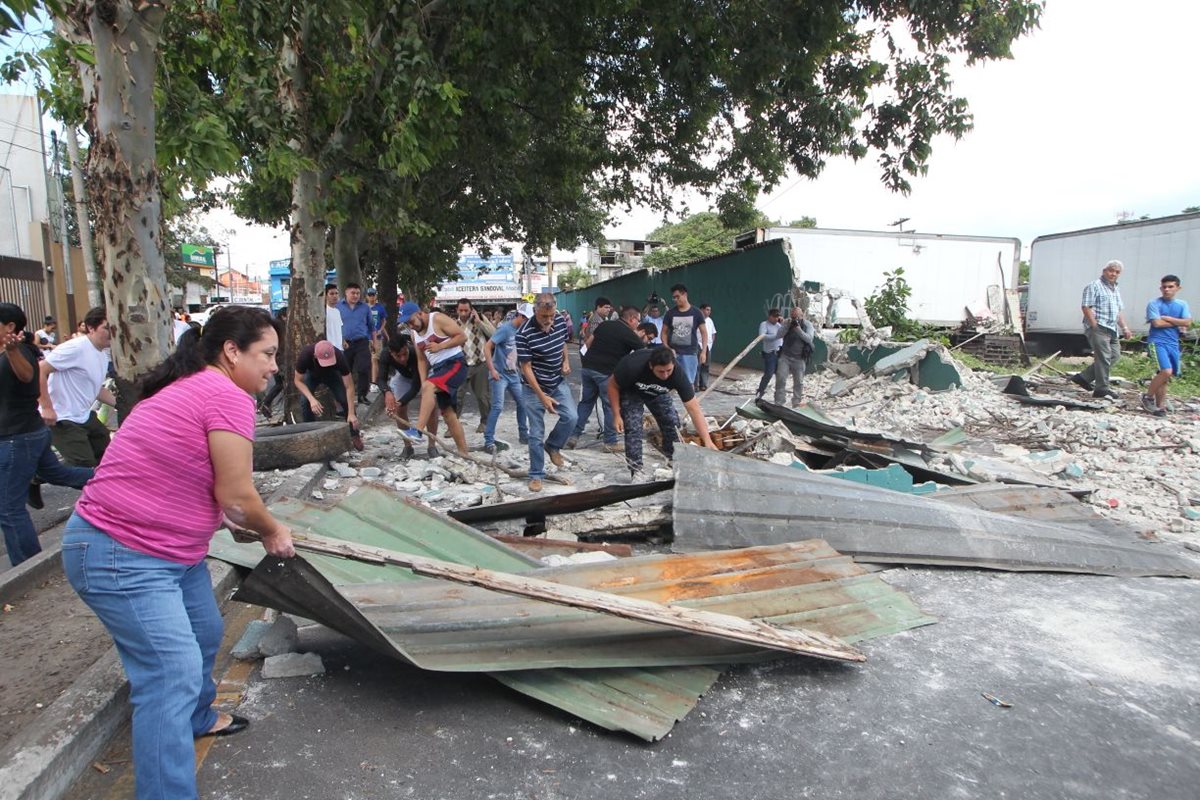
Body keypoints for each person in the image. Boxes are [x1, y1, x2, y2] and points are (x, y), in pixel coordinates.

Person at [60, 305, 295, 800]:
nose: (274, 366)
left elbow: (200, 479)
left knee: (206, 630)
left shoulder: (193, 388)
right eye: (268, 354)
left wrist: (226, 513)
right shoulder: (227, 397)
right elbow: (237, 494)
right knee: (170, 673)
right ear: (232, 352)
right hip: (120, 553)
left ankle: (196, 716)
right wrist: (271, 530)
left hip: (167, 552)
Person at [0, 303, 93, 565]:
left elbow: (27, 375)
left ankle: (27, 565)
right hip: (30, 434)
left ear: (10, 327)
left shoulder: (20, 353)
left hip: (18, 438)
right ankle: (114, 478)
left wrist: (13, 350)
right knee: (59, 474)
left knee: (8, 508)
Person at [607, 346, 717, 479]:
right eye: (661, 371)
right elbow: (612, 385)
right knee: (633, 428)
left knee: (672, 423)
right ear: (651, 366)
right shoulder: (632, 366)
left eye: (668, 370)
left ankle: (672, 460)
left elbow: (694, 409)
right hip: (632, 391)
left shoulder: (678, 374)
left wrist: (707, 440)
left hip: (658, 392)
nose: (665, 375)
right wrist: (617, 415)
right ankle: (636, 471)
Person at [38, 306, 115, 467]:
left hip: (84, 415)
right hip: (63, 418)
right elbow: (40, 370)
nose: (112, 332)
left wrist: (126, 405)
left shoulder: (101, 355)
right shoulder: (75, 348)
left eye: (114, 327)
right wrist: (46, 407)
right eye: (106, 328)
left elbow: (96, 389)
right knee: (83, 467)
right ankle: (36, 475)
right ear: (91, 328)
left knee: (108, 458)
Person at [516, 292, 576, 492]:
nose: (549, 321)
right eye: (544, 317)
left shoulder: (559, 320)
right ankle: (536, 474)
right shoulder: (523, 333)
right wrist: (543, 397)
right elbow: (526, 368)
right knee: (536, 433)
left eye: (551, 316)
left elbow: (562, 343)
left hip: (557, 381)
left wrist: (566, 361)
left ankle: (553, 446)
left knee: (571, 417)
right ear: (535, 311)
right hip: (533, 388)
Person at [567, 305, 644, 452]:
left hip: (588, 368)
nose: (638, 324)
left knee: (585, 403)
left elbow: (588, 343)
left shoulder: (605, 325)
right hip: (605, 373)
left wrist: (587, 362)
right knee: (609, 406)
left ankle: (573, 436)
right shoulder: (629, 333)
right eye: (638, 321)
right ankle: (610, 441)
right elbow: (642, 353)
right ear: (632, 319)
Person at [397, 301, 470, 456]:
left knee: (430, 387)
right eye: (407, 324)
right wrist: (424, 383)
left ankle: (417, 431)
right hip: (438, 370)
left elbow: (462, 337)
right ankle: (465, 454)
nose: (411, 326)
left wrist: (441, 346)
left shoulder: (437, 318)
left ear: (419, 313)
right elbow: (422, 360)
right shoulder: (414, 333)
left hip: (454, 363)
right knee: (449, 414)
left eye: (411, 321)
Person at [1071, 260, 1133, 400]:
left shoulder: (1115, 289)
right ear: (1104, 271)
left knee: (1115, 355)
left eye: (1117, 272)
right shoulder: (1094, 286)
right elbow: (1086, 306)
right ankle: (1102, 389)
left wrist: (1125, 327)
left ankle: (1083, 377)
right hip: (1100, 327)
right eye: (1111, 270)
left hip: (1112, 328)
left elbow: (1118, 311)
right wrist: (1094, 325)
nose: (1113, 274)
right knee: (1103, 358)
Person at [378, 334, 439, 458]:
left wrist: (400, 401)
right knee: (400, 409)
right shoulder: (385, 355)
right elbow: (381, 379)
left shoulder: (414, 353)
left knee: (431, 408)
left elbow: (416, 387)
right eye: (398, 356)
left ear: (407, 347)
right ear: (391, 353)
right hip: (403, 376)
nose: (402, 359)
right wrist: (387, 392)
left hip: (423, 375)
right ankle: (407, 446)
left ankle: (432, 446)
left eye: (404, 354)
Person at [293, 340, 362, 450]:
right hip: (312, 375)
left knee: (343, 399)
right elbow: (297, 381)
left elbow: (349, 386)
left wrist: (351, 413)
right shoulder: (305, 355)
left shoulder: (339, 356)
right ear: (315, 356)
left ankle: (354, 433)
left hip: (332, 375)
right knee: (305, 402)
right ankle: (310, 436)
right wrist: (312, 399)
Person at [482, 303, 531, 454]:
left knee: (522, 404)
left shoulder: (523, 331)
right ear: (521, 317)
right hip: (500, 375)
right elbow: (487, 347)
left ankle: (524, 435)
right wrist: (492, 370)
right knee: (497, 407)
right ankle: (488, 440)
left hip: (513, 375)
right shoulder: (505, 329)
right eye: (527, 319)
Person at [1142, 274, 1192, 417]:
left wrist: (1168, 318)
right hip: (1157, 342)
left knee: (1164, 377)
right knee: (1166, 371)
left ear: (1178, 288)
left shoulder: (1182, 304)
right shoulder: (1154, 304)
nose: (1167, 289)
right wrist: (1178, 322)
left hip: (1173, 343)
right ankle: (1148, 397)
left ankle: (1160, 406)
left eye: (1170, 287)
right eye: (1164, 287)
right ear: (1160, 288)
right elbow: (1157, 323)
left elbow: (1188, 322)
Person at [454, 298, 495, 431]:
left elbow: (494, 335)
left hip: (480, 363)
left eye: (466, 310)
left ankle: (485, 422)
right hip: (462, 365)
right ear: (457, 310)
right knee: (457, 396)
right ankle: (453, 424)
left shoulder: (480, 319)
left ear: (471, 310)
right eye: (461, 310)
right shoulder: (453, 324)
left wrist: (479, 322)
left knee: (482, 395)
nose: (464, 313)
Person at [662, 283, 708, 388]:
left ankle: (690, 403)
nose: (675, 299)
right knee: (669, 382)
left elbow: (704, 333)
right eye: (673, 297)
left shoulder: (696, 312)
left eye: (677, 297)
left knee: (689, 383)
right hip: (673, 354)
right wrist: (667, 348)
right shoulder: (670, 313)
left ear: (685, 295)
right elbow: (663, 333)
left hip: (690, 353)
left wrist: (704, 352)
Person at [337, 282, 373, 404]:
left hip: (361, 342)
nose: (355, 295)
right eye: (353, 293)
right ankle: (345, 398)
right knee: (345, 371)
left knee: (364, 368)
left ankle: (362, 395)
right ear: (346, 293)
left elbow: (371, 326)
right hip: (344, 343)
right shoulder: (338, 307)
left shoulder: (365, 307)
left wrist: (373, 341)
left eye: (358, 293)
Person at [775, 306, 815, 406]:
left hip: (799, 358)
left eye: (797, 317)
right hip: (785, 356)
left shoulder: (807, 325)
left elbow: (809, 339)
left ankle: (796, 403)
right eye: (793, 317)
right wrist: (788, 326)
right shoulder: (788, 323)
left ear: (802, 316)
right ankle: (779, 402)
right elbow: (778, 335)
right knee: (781, 379)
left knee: (799, 382)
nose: (795, 319)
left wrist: (798, 329)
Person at [756, 308, 785, 399]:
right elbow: (762, 336)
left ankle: (779, 395)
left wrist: (783, 324)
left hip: (780, 352)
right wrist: (776, 336)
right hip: (770, 353)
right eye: (774, 317)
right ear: (770, 316)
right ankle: (760, 391)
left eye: (778, 317)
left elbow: (785, 333)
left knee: (780, 374)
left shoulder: (779, 325)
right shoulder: (764, 325)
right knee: (769, 373)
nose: (776, 319)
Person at [366, 288, 388, 385]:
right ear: (366, 296)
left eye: (373, 295)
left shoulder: (380, 308)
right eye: (370, 295)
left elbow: (384, 321)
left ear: (376, 296)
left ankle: (374, 382)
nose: (372, 297)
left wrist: (380, 330)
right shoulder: (364, 308)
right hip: (365, 337)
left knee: (374, 359)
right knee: (367, 360)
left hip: (377, 338)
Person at [696, 303, 716, 390]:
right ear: (702, 310)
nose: (709, 312)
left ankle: (703, 384)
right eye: (707, 309)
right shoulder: (696, 319)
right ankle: (695, 385)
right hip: (698, 345)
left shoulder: (710, 320)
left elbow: (713, 333)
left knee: (706, 366)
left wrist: (710, 343)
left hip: (708, 346)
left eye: (710, 310)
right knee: (697, 366)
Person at [323, 283, 343, 353]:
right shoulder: (323, 311)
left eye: (336, 293)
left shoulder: (337, 311)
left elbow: (339, 329)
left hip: (340, 348)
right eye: (331, 294)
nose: (335, 296)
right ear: (325, 296)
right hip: (328, 349)